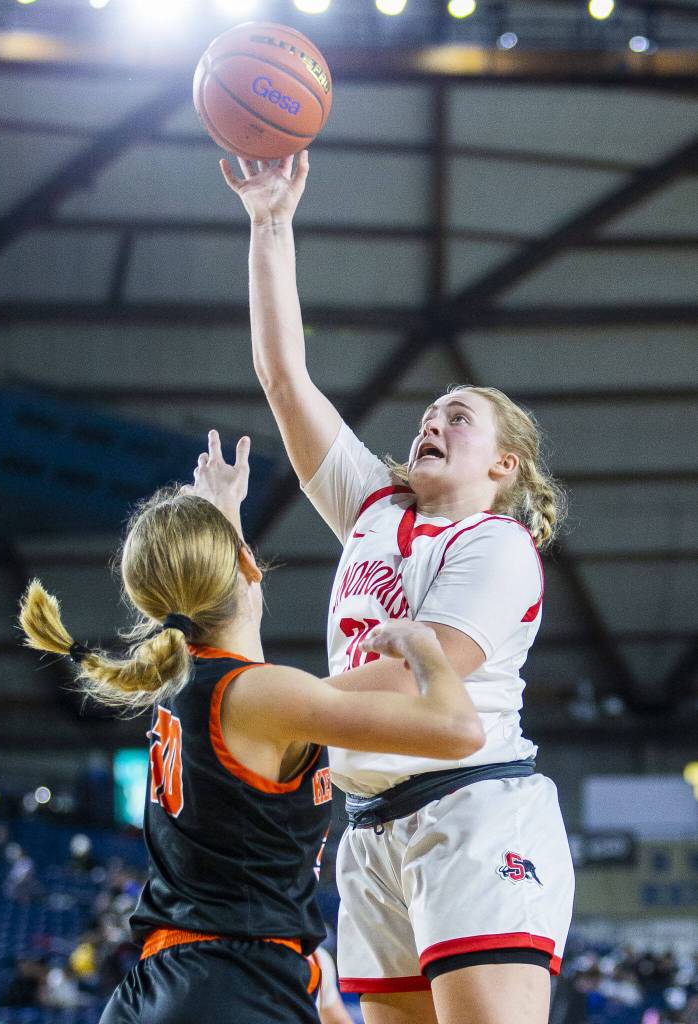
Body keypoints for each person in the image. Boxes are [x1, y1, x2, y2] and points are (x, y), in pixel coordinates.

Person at [207, 151, 576, 1024]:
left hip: (472, 810)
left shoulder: (497, 542)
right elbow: (284, 381)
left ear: (503, 463)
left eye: (459, 416)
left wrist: (269, 710)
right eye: (429, 411)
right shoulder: (376, 506)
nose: (432, 420)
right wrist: (270, 224)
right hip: (370, 831)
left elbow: (419, 678)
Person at [18, 434, 483, 1024]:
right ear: (244, 565)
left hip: (160, 986)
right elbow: (458, 729)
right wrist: (427, 648)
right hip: (235, 983)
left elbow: (244, 647)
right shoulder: (264, 697)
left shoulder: (201, 687)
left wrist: (225, 512)